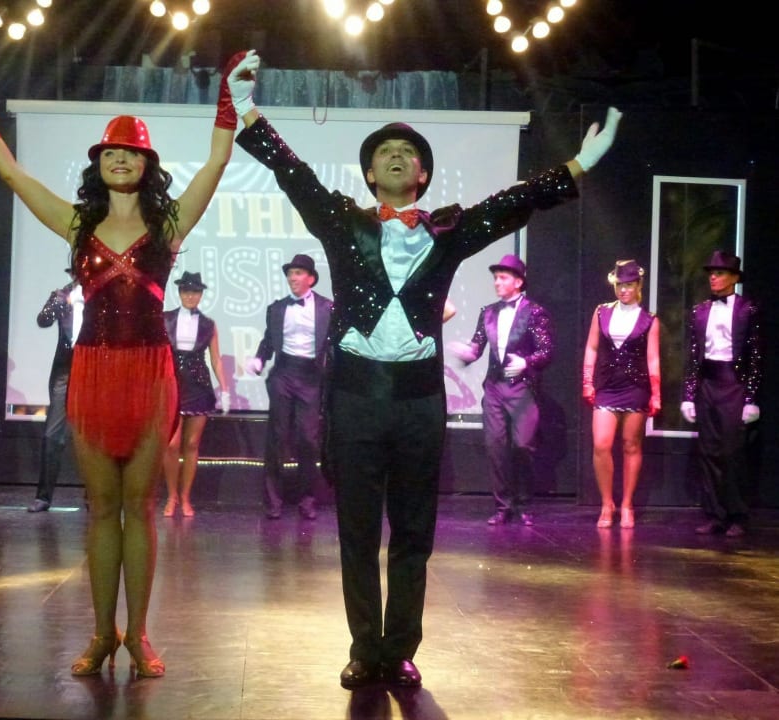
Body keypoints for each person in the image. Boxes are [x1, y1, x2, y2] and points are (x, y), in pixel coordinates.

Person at [227, 53, 621, 687]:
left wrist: (578, 165)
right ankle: (365, 649)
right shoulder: (341, 220)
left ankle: (401, 648)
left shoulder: (448, 232)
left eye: (405, 152)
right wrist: (247, 109)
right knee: (358, 531)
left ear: (423, 173)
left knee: (414, 531)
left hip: (417, 401)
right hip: (355, 396)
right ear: (368, 172)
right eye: (383, 151)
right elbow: (291, 172)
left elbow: (514, 201)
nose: (394, 156)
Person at [0, 49, 249, 677]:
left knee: (139, 507)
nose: (120, 158)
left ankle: (138, 635)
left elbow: (217, 162)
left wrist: (227, 96)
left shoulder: (169, 224)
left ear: (148, 165)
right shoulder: (75, 225)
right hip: (91, 373)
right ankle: (100, 634)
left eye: (132, 152)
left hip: (150, 375)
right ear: (98, 163)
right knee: (100, 508)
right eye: (110, 151)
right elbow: (13, 176)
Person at [450, 254, 554, 527]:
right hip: (495, 387)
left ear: (518, 282)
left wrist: (526, 362)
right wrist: (466, 353)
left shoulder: (534, 312)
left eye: (503, 278)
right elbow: (477, 346)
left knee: (523, 446)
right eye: (495, 278)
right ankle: (502, 505)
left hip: (522, 388)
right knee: (495, 446)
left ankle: (524, 502)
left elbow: (546, 351)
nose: (497, 282)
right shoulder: (488, 312)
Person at [681, 250, 762, 538]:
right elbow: (693, 355)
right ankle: (714, 514)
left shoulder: (747, 309)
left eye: (720, 273)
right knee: (709, 452)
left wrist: (750, 398)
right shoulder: (700, 311)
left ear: (734, 278)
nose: (713, 278)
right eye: (711, 274)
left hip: (734, 383)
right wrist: (689, 394)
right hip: (708, 383)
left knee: (732, 453)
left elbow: (755, 356)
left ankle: (737, 514)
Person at [246, 253, 332, 520]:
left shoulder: (327, 308)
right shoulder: (277, 308)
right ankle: (273, 500)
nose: (292, 278)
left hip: (311, 376)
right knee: (277, 437)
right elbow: (269, 340)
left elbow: (333, 344)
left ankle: (307, 499)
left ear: (311, 279)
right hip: (283, 373)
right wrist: (260, 358)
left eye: (298, 273)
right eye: (290, 274)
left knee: (308, 439)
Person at [581, 260, 661, 529]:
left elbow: (653, 358)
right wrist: (587, 381)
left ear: (638, 285)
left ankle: (627, 504)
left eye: (628, 285)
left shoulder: (649, 319)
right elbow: (592, 347)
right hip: (607, 386)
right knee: (601, 444)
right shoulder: (601, 312)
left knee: (631, 445)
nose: (623, 290)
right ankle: (607, 503)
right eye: (619, 285)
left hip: (635, 386)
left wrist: (656, 394)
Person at [162, 270, 229, 518]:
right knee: (172, 445)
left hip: (199, 385)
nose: (190, 296)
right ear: (179, 293)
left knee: (191, 444)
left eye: (195, 292)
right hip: (172, 383)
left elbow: (216, 359)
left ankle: (185, 497)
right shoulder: (165, 319)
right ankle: (171, 496)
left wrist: (225, 389)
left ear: (201, 295)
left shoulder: (208, 324)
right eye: (186, 291)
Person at [28, 271, 84, 513]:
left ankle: (95, 496)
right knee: (53, 433)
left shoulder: (102, 298)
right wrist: (64, 302)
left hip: (95, 368)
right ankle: (43, 497)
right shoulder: (61, 295)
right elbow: (43, 320)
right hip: (65, 370)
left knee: (92, 435)